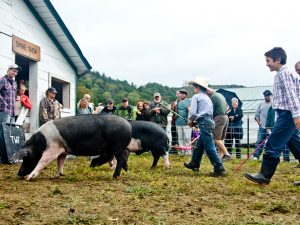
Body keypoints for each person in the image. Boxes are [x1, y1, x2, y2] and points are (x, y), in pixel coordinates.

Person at [245, 47, 300, 185]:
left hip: (288, 114)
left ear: (277, 60)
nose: (267, 64)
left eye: (268, 60)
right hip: (286, 114)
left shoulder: (284, 74)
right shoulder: (282, 74)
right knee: (297, 147)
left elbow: (291, 96)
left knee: (272, 144)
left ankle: (264, 176)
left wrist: (296, 115)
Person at [184, 77, 226, 177]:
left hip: (204, 122)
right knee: (200, 145)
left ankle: (219, 168)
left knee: (209, 146)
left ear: (197, 87)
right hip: (209, 121)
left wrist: (190, 121)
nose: (194, 88)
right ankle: (195, 163)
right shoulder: (208, 98)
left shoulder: (196, 97)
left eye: (194, 86)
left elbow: (193, 112)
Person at [0, 64, 21, 163]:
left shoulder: (14, 83)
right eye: (13, 70)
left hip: (12, 112)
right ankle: (1, 155)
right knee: (2, 132)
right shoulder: (2, 80)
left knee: (9, 134)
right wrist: (3, 103)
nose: (15, 73)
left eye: (16, 72)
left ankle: (7, 155)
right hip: (3, 110)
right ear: (8, 70)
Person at [205, 87, 231, 161]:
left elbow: (210, 110)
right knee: (220, 139)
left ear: (209, 90)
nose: (206, 93)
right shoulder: (220, 95)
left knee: (216, 138)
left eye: (206, 91)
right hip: (226, 116)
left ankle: (227, 154)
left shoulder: (212, 97)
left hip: (219, 117)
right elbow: (228, 107)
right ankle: (220, 158)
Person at [252, 90, 273, 160]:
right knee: (259, 141)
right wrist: (259, 122)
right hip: (262, 127)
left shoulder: (274, 104)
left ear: (271, 96)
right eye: (265, 96)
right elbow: (256, 115)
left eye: (268, 96)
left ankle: (269, 157)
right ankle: (256, 156)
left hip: (271, 127)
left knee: (271, 142)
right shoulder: (261, 105)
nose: (266, 97)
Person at [175, 89, 192, 155]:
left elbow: (193, 111)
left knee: (187, 138)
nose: (181, 95)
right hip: (178, 122)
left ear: (185, 95)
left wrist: (190, 110)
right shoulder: (176, 102)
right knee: (180, 138)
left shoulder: (189, 101)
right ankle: (181, 152)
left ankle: (188, 152)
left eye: (183, 93)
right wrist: (174, 105)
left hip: (187, 123)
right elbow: (172, 110)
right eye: (180, 93)